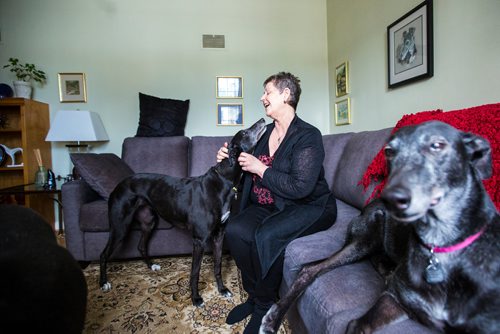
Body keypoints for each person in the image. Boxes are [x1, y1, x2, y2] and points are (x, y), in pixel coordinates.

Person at [216, 72, 337, 333]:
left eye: (267, 92)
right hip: (270, 203)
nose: (262, 97)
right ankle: (254, 295)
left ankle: (264, 307)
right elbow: (240, 164)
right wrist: (226, 157)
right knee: (235, 231)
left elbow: (300, 187)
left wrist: (260, 168)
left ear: (286, 95)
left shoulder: (307, 136)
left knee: (266, 236)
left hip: (309, 206)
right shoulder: (264, 133)